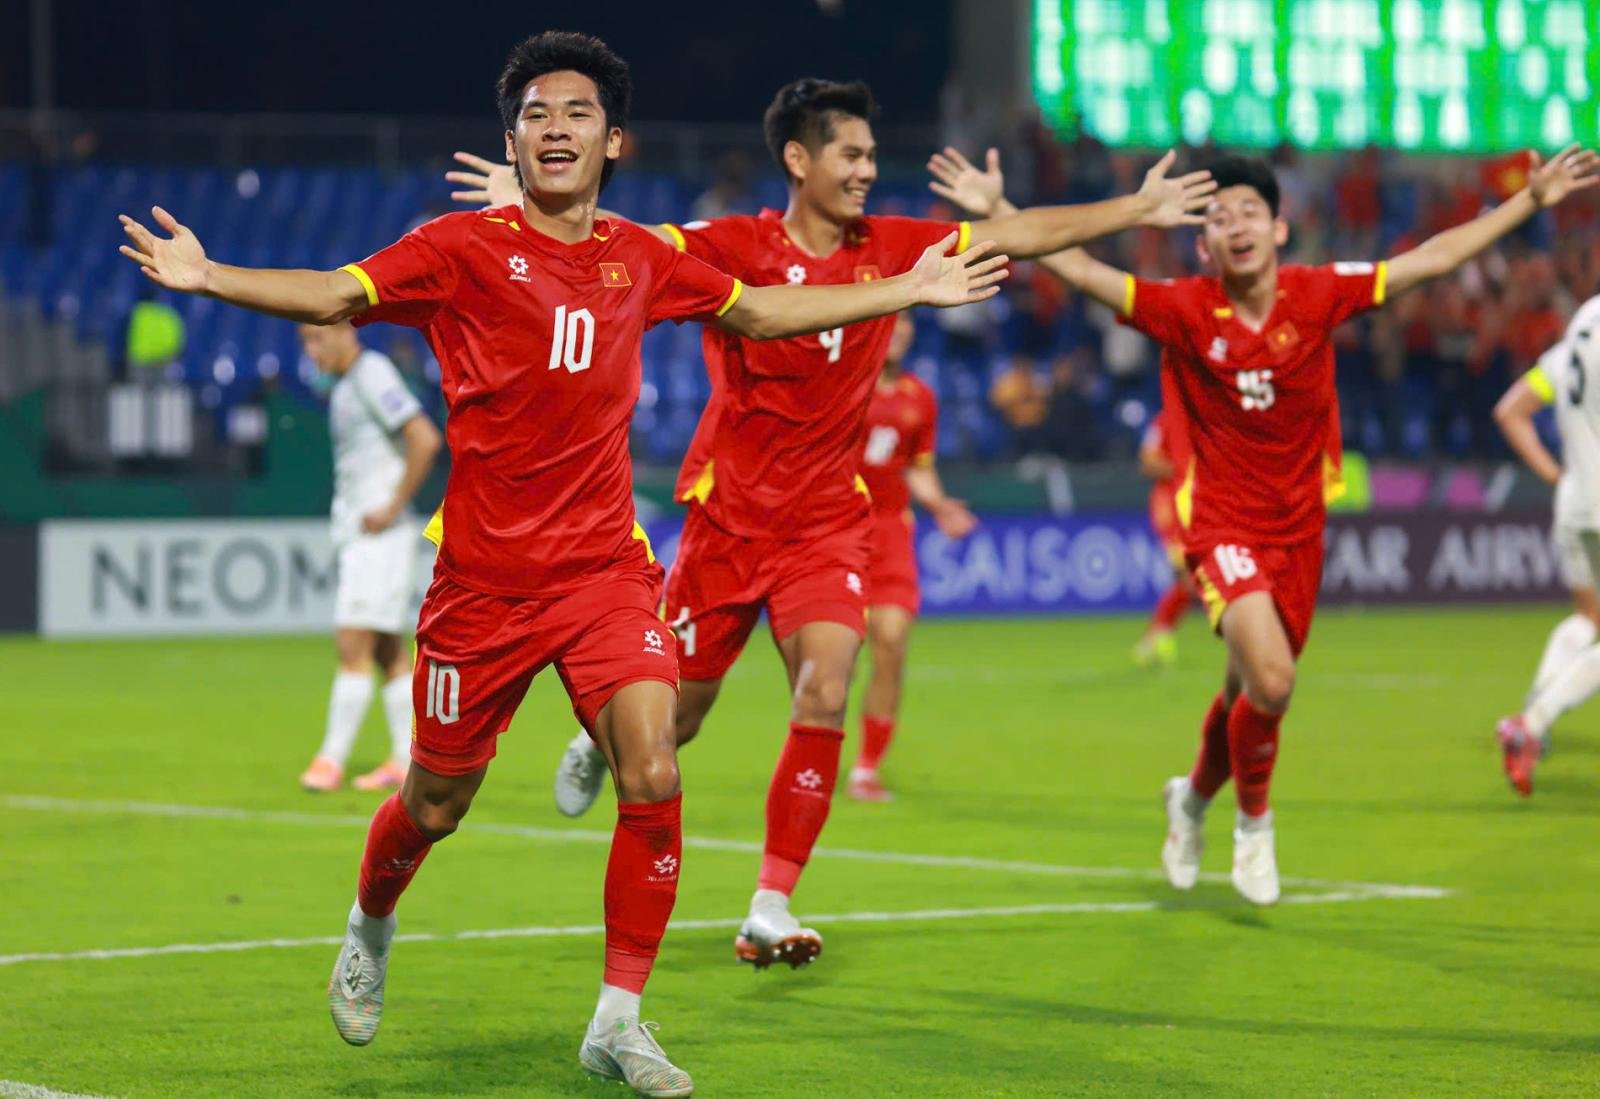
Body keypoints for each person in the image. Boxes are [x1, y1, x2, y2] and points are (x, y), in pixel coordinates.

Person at [118, 32, 1007, 1097]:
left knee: (655, 769)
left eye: (577, 112)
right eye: (534, 113)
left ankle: (617, 1020)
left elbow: (762, 310)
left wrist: (904, 288)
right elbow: (331, 296)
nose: (554, 127)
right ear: (512, 141)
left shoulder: (642, 256)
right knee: (434, 803)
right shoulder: (458, 249)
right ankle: (371, 922)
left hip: (603, 575)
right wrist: (206, 275)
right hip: (482, 587)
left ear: (613, 140)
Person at [452, 78, 1216, 969]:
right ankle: (597, 742)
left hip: (825, 525)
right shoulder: (734, 244)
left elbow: (1018, 235)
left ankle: (771, 903)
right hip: (728, 523)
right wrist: (532, 210)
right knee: (677, 719)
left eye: (871, 156)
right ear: (799, 159)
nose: (866, 171)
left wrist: (1137, 208)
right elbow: (626, 244)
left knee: (825, 687)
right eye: (850, 154)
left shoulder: (889, 245)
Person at [927, 142, 1599, 904]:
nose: (1236, 225)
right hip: (1221, 525)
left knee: (1245, 693)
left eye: (1250, 212)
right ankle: (1253, 824)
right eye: (1218, 217)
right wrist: (998, 210)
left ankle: (1190, 801)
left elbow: (1433, 259)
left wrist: (1528, 201)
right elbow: (1080, 270)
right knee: (1274, 681)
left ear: (1279, 229)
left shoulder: (1318, 294)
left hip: (1299, 533)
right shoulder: (1186, 308)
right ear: (1203, 244)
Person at [297, 321, 441, 793]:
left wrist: (392, 506)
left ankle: (330, 760)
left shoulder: (372, 373)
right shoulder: (345, 386)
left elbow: (424, 436)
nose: (311, 351)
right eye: (305, 342)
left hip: (379, 538)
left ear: (345, 330)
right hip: (362, 536)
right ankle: (406, 760)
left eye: (316, 338)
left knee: (352, 643)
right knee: (386, 651)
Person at [848, 310, 977, 802]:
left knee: (892, 640)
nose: (899, 331)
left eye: (905, 325)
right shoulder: (845, 385)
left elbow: (917, 467)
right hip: (836, 527)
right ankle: (813, 754)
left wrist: (939, 505)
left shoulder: (919, 397)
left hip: (890, 532)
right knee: (833, 657)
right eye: (891, 322)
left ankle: (867, 766)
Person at [1492, 290, 1600, 796]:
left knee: (1590, 618)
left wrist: (1558, 478)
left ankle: (1537, 706)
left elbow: (1511, 411)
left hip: (1576, 501)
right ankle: (1532, 723)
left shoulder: (1582, 327)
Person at [1131, 392, 1196, 669]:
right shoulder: (1164, 421)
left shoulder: (1205, 420)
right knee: (1189, 577)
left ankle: (1158, 635)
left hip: (1198, 505)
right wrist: (1184, 471)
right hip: (1170, 506)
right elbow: (1147, 462)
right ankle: (1155, 636)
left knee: (1192, 581)